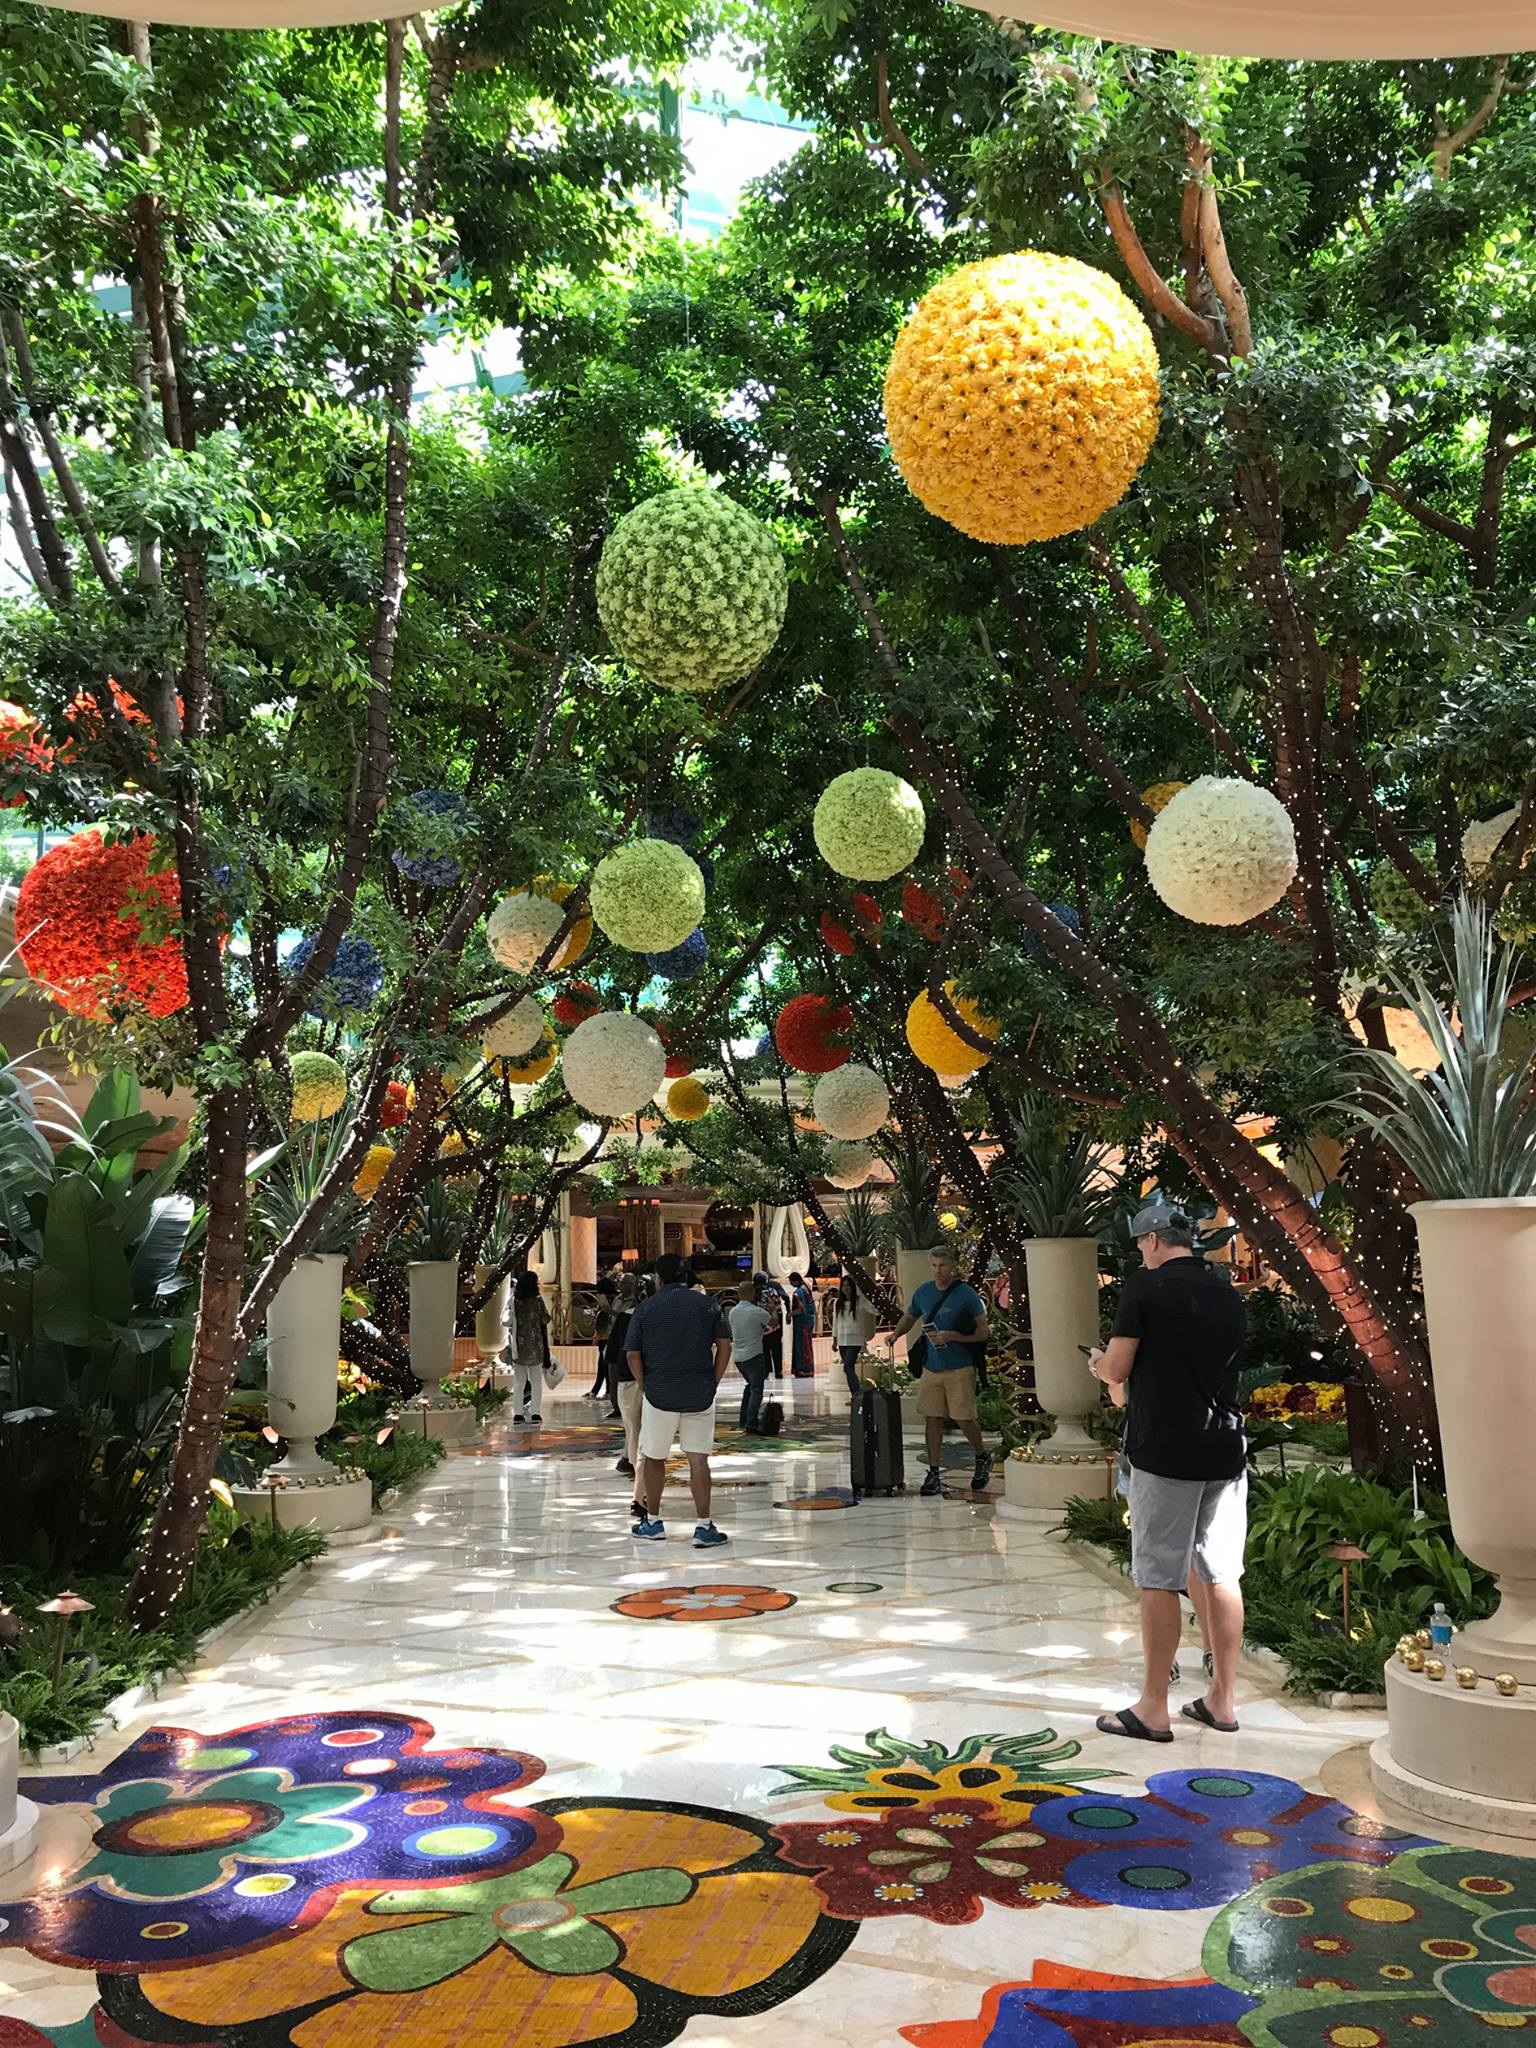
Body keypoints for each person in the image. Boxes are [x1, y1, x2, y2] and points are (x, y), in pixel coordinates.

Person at [1088, 1201, 1248, 1744]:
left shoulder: (1145, 1287)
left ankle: (1153, 1707)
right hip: (1226, 1452)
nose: (1140, 1253)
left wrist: (1098, 1366)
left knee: (1157, 1575)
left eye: (1139, 1244)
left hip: (1165, 1451)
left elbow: (1117, 1368)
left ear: (1153, 1240)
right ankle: (1222, 1700)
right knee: (1222, 1574)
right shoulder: (1227, 1290)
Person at [627, 1252, 732, 1547]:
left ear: (658, 1279)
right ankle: (703, 1525)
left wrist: (645, 1384)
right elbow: (724, 1346)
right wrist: (714, 1380)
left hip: (659, 1392)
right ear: (685, 1276)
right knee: (698, 1459)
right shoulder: (708, 1306)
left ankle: (654, 1521)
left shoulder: (645, 1309)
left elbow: (633, 1355)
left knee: (653, 1457)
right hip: (699, 1392)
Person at [878, 1244, 993, 1496]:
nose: (938, 1271)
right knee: (932, 1416)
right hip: (933, 1366)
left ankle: (981, 1456)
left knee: (963, 1417)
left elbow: (984, 1332)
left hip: (960, 1366)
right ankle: (933, 1471)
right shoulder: (924, 1292)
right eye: (934, 1266)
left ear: (953, 1267)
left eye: (942, 1266)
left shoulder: (967, 1295)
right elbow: (910, 1317)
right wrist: (895, 1334)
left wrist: (955, 1336)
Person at [606, 1276, 643, 1503]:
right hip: (648, 1377)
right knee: (637, 1423)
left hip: (629, 1377)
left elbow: (618, 1352)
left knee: (632, 1423)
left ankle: (635, 1463)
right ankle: (629, 1458)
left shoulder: (624, 1320)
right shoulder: (651, 1316)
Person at [728, 1279, 772, 1433]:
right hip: (754, 1354)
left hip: (739, 1357)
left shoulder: (732, 1312)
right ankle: (751, 1422)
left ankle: (744, 1418)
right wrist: (772, 1310)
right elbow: (773, 1322)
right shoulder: (756, 1311)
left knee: (750, 1387)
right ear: (752, 1294)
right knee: (756, 1389)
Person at [511, 1271, 550, 1425]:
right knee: (536, 1381)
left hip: (518, 1346)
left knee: (519, 1381)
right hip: (535, 1345)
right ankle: (535, 1413)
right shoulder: (537, 1300)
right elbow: (545, 1318)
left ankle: (518, 1414)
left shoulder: (515, 1300)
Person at [832, 1274, 866, 1398]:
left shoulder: (859, 1302)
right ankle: (855, 1396)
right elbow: (836, 1322)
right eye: (844, 1286)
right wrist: (834, 1340)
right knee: (848, 1368)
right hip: (842, 1339)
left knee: (847, 1365)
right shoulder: (837, 1303)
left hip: (855, 1339)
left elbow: (874, 1310)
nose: (846, 1288)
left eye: (848, 1286)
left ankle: (858, 1393)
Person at [757, 1274, 785, 1379]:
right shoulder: (773, 1291)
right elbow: (778, 1306)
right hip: (774, 1324)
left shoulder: (757, 1293)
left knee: (765, 1349)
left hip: (764, 1325)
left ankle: (767, 1371)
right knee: (776, 1348)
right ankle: (778, 1371)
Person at [788, 1270, 816, 1377]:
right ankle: (808, 1368)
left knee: (802, 1346)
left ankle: (803, 1369)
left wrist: (790, 1314)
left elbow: (801, 1308)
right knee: (807, 1345)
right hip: (809, 1321)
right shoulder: (806, 1288)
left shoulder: (798, 1292)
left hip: (802, 1323)